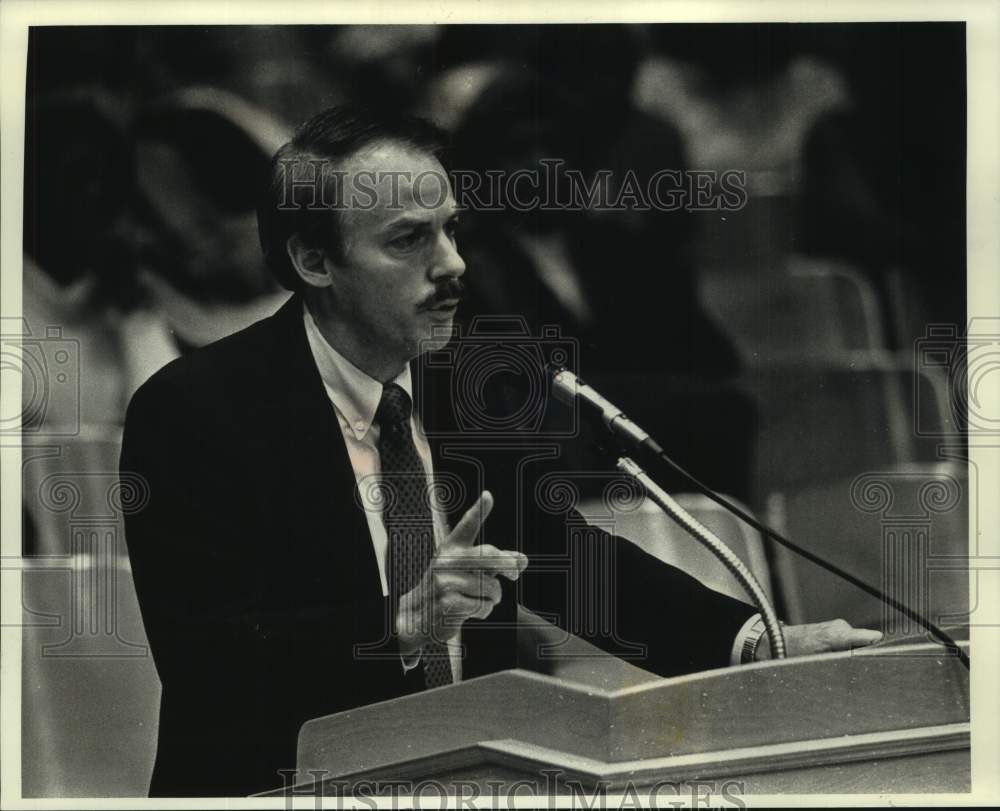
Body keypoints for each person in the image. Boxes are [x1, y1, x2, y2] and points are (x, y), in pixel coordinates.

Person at [120, 104, 881, 797]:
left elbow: (561, 560)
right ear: (315, 262)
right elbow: (208, 662)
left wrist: (755, 643)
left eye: (452, 230)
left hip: (470, 780)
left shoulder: (470, 380)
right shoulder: (193, 412)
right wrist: (398, 623)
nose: (452, 263)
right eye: (409, 240)